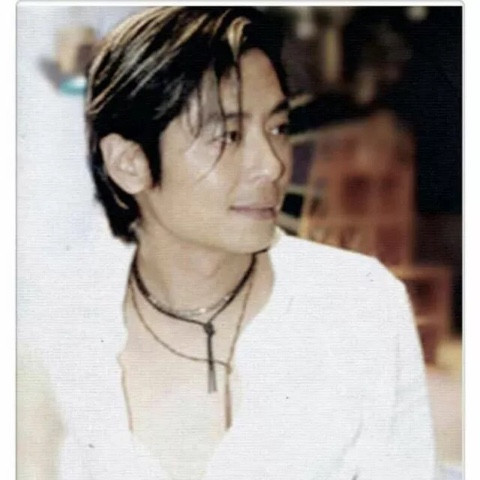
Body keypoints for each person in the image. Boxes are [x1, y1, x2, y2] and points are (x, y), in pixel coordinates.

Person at [18, 6, 436, 480]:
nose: (272, 165)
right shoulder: (57, 331)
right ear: (129, 163)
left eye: (278, 128)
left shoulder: (358, 304)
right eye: (228, 136)